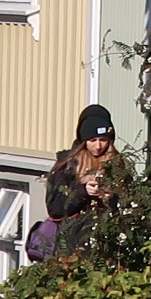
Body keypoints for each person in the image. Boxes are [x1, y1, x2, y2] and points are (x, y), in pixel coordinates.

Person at [41, 105, 126, 249]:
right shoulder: (68, 164)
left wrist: (110, 197)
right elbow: (55, 208)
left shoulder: (118, 165)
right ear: (84, 141)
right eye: (92, 140)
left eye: (103, 140)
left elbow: (129, 203)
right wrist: (83, 191)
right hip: (72, 246)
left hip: (106, 245)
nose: (98, 146)